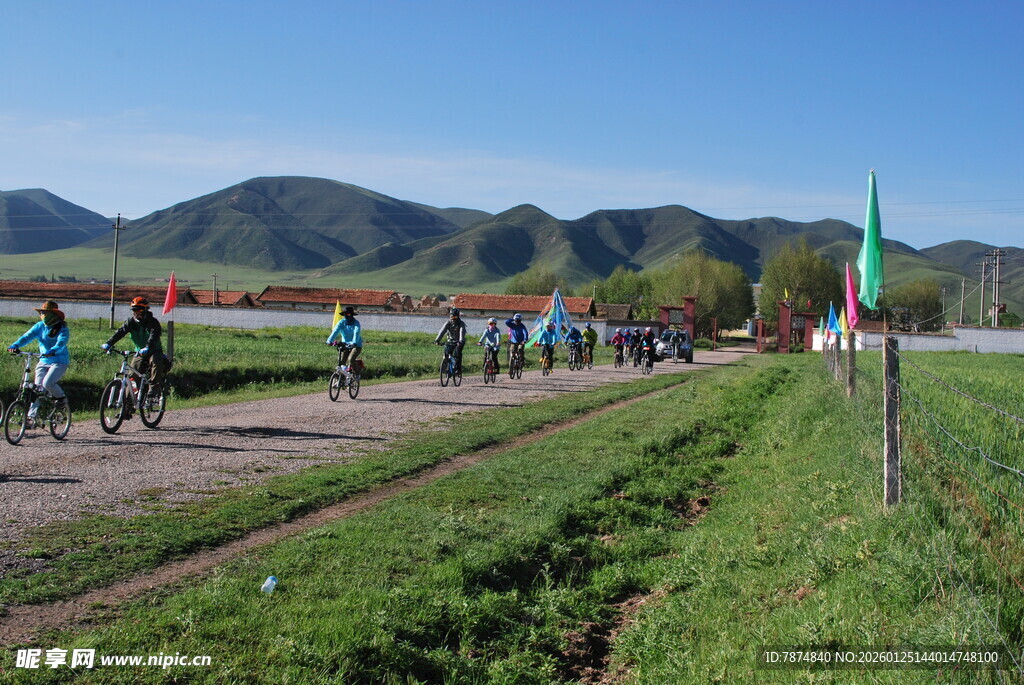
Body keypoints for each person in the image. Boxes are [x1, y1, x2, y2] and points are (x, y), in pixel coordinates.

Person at [7, 300, 70, 424]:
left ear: (54, 314)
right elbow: (27, 337)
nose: (43, 315)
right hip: (43, 360)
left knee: (47, 383)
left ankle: (61, 398)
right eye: (42, 312)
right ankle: (31, 417)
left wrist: (53, 351)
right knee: (37, 389)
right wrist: (15, 345)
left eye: (46, 313)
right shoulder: (39, 326)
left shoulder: (62, 329)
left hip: (59, 361)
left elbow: (61, 343)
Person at [102, 296, 169, 386]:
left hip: (154, 350)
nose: (136, 313)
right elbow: (120, 332)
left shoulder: (153, 322)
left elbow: (154, 336)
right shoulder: (130, 322)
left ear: (145, 310)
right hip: (139, 352)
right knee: (132, 374)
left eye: (139, 311)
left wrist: (148, 346)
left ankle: (153, 390)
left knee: (156, 363)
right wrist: (108, 343)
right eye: (134, 311)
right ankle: (128, 397)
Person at [326, 306, 363, 374]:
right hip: (345, 344)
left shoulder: (356, 323)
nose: (346, 316)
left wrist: (354, 342)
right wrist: (330, 340)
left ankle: (357, 372)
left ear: (351, 315)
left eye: (348, 314)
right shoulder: (341, 322)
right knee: (341, 361)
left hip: (356, 345)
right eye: (345, 314)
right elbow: (335, 331)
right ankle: (341, 377)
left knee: (351, 359)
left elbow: (356, 332)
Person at [435, 307, 467, 373]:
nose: (453, 319)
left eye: (455, 317)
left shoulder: (461, 324)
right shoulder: (448, 323)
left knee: (457, 354)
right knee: (446, 353)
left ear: (458, 316)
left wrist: (460, 341)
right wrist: (437, 340)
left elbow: (462, 332)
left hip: (459, 341)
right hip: (450, 341)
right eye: (452, 317)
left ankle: (458, 369)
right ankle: (445, 368)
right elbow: (442, 331)